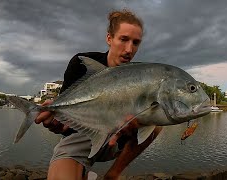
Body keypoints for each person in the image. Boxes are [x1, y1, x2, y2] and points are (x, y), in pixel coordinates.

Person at [35, 9, 163, 180]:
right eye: (123, 39)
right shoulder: (81, 64)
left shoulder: (139, 73)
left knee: (157, 122)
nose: (129, 49)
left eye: (136, 42)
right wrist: (58, 122)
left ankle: (113, 174)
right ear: (109, 38)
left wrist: (133, 122)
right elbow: (67, 116)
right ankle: (83, 172)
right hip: (82, 136)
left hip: (119, 140)